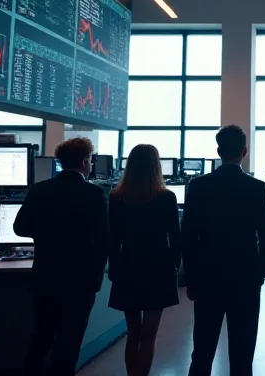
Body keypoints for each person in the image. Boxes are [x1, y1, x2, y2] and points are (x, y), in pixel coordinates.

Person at [182, 125, 265, 376]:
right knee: (242, 353)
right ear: (244, 151)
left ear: (218, 150)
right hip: (245, 279)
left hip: (207, 278)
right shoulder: (256, 188)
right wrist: (260, 273)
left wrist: (190, 278)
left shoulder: (199, 186)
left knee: (202, 351)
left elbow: (188, 237)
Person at [14, 137, 109, 376]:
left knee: (41, 338)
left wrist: (46, 234)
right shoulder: (95, 193)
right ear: (85, 162)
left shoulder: (40, 189)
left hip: (45, 276)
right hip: (80, 280)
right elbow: (103, 239)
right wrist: (96, 276)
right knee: (69, 342)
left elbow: (20, 228)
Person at [108, 144, 181, 376]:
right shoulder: (166, 198)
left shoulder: (117, 198)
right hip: (158, 267)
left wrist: (114, 267)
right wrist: (175, 265)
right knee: (149, 335)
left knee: (133, 332)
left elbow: (113, 238)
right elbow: (175, 236)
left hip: (128, 265)